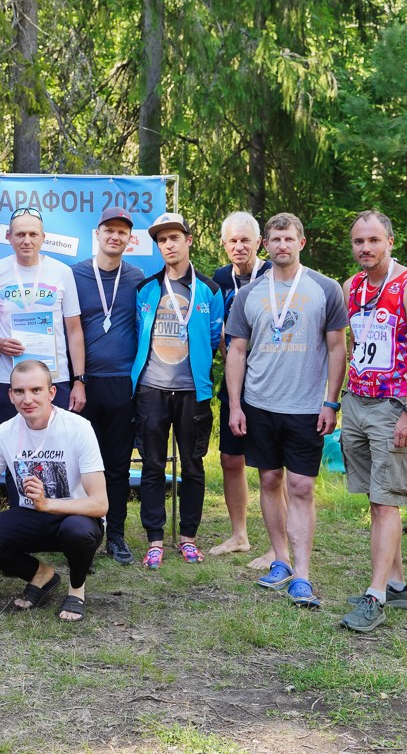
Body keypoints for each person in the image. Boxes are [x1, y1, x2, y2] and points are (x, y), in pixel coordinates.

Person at [225, 212, 347, 607]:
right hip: (260, 404)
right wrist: (235, 405)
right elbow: (237, 352)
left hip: (305, 407)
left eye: (288, 239)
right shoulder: (249, 295)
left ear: (301, 243)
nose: (281, 246)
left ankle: (304, 574)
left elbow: (336, 348)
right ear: (267, 245)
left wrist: (331, 400)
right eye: (275, 239)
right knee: (270, 481)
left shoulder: (325, 289)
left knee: (302, 487)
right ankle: (280, 560)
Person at [338, 211, 407, 632]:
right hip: (357, 401)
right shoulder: (352, 287)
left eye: (374, 240)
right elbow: (354, 344)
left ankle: (375, 596)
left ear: (390, 241)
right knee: (376, 499)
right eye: (359, 241)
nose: (365, 248)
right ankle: (395, 584)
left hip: (393, 406)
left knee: (386, 501)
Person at [0, 360, 108, 622]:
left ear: (51, 393)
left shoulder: (78, 428)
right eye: (19, 391)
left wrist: (48, 504)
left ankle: (77, 589)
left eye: (36, 390)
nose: (27, 399)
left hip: (76, 515)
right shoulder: (4, 432)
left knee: (78, 532)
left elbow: (100, 504)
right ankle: (41, 574)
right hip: (32, 514)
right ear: (10, 395)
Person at [130, 212, 224, 569]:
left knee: (193, 465)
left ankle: (188, 537)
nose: (168, 245)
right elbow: (140, 333)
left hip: (192, 392)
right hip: (151, 389)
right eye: (161, 240)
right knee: (152, 466)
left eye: (174, 238)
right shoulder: (146, 289)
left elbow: (214, 338)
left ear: (188, 240)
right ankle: (154, 538)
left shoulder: (210, 290)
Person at [73, 207, 145, 564]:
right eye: (109, 231)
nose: (115, 237)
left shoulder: (138, 278)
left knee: (117, 464)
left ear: (129, 240)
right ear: (97, 234)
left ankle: (115, 534)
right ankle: (83, 533)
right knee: (80, 464)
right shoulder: (75, 275)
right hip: (83, 386)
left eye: (122, 232)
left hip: (123, 384)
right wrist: (77, 379)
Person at [209, 211, 275, 565]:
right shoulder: (220, 279)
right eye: (232, 240)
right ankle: (239, 536)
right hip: (234, 383)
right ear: (223, 244)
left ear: (258, 242)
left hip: (270, 384)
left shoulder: (274, 274)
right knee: (231, 459)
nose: (238, 246)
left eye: (245, 240)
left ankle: (276, 546)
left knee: (270, 468)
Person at [0, 207, 86, 425]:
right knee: (13, 448)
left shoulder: (62, 272)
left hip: (54, 379)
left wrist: (79, 381)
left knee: (58, 448)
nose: (27, 240)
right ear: (9, 237)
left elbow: (74, 330)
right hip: (9, 379)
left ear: (43, 237)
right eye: (20, 234)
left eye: (33, 234)